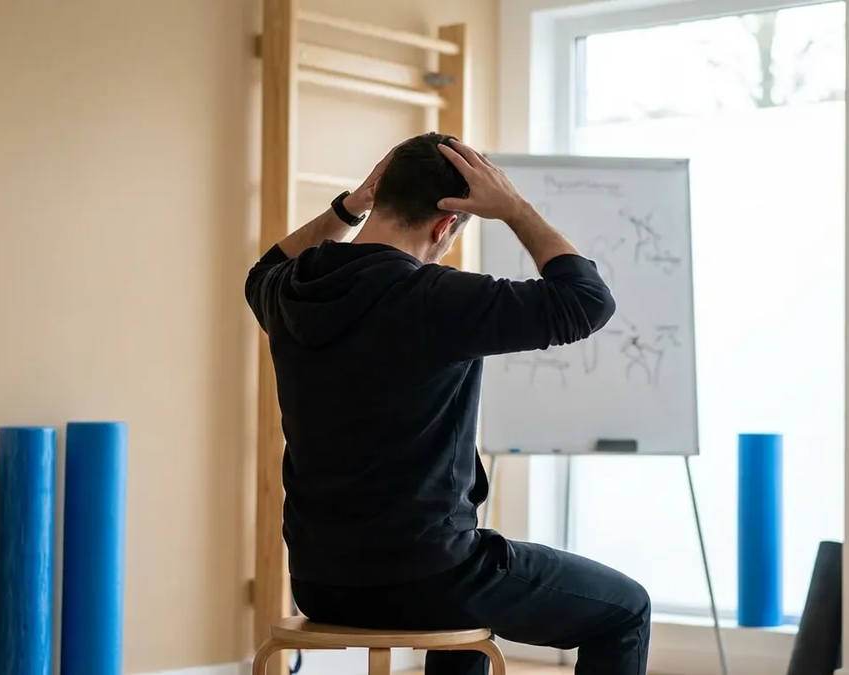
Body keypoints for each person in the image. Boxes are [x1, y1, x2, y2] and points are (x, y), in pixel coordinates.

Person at [245, 133, 651, 675]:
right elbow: (587, 301)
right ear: (444, 226)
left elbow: (261, 271)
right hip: (429, 576)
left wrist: (348, 206)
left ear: (379, 200)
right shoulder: (437, 298)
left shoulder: (291, 288)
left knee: (456, 586)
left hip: (321, 583)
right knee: (626, 610)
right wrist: (514, 209)